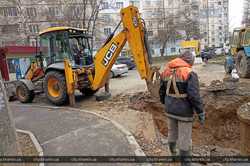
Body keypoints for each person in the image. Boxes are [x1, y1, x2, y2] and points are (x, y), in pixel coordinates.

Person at [159, 51, 205, 166]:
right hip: (184, 113)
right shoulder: (189, 73)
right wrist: (200, 111)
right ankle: (185, 163)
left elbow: (161, 92)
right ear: (189, 60)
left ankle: (174, 156)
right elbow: (194, 96)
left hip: (170, 110)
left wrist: (166, 103)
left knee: (172, 133)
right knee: (184, 138)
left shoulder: (165, 71)